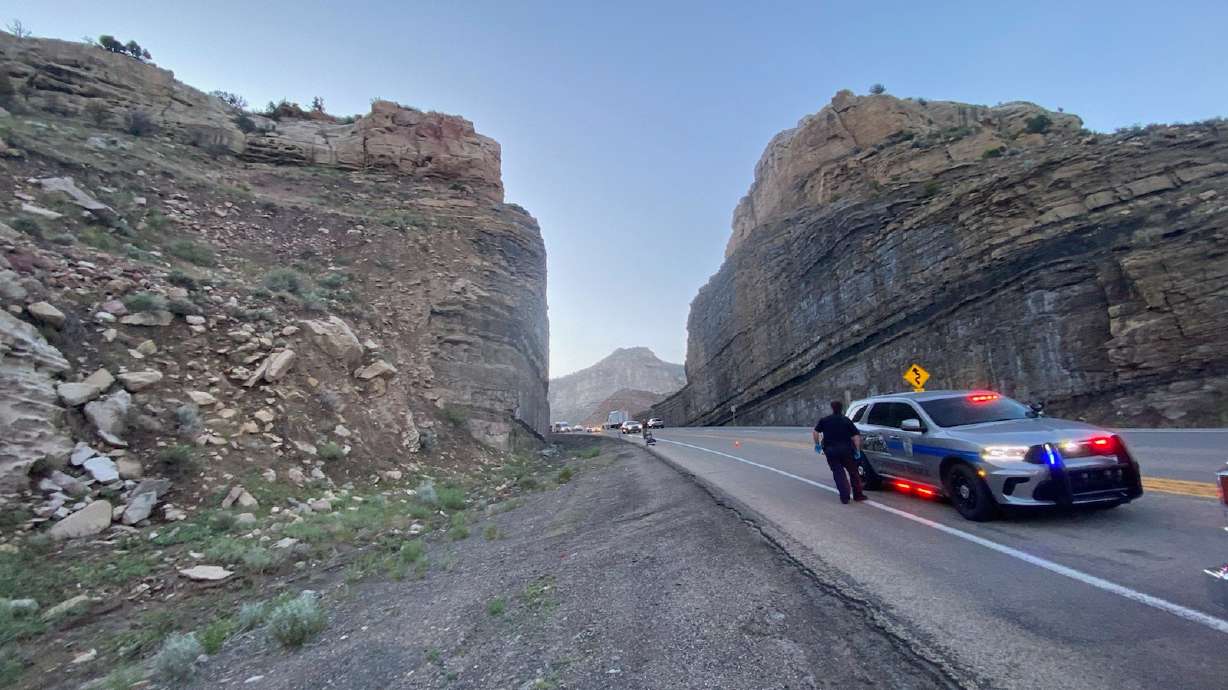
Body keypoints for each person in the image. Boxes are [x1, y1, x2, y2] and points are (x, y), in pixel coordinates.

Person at [813, 400, 866, 504]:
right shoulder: (846, 420)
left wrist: (817, 444)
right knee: (853, 472)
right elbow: (856, 436)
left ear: (832, 408)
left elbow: (815, 432)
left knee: (838, 473)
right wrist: (857, 450)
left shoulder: (825, 420)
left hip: (831, 451)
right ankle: (858, 495)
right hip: (847, 450)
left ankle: (845, 497)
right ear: (842, 408)